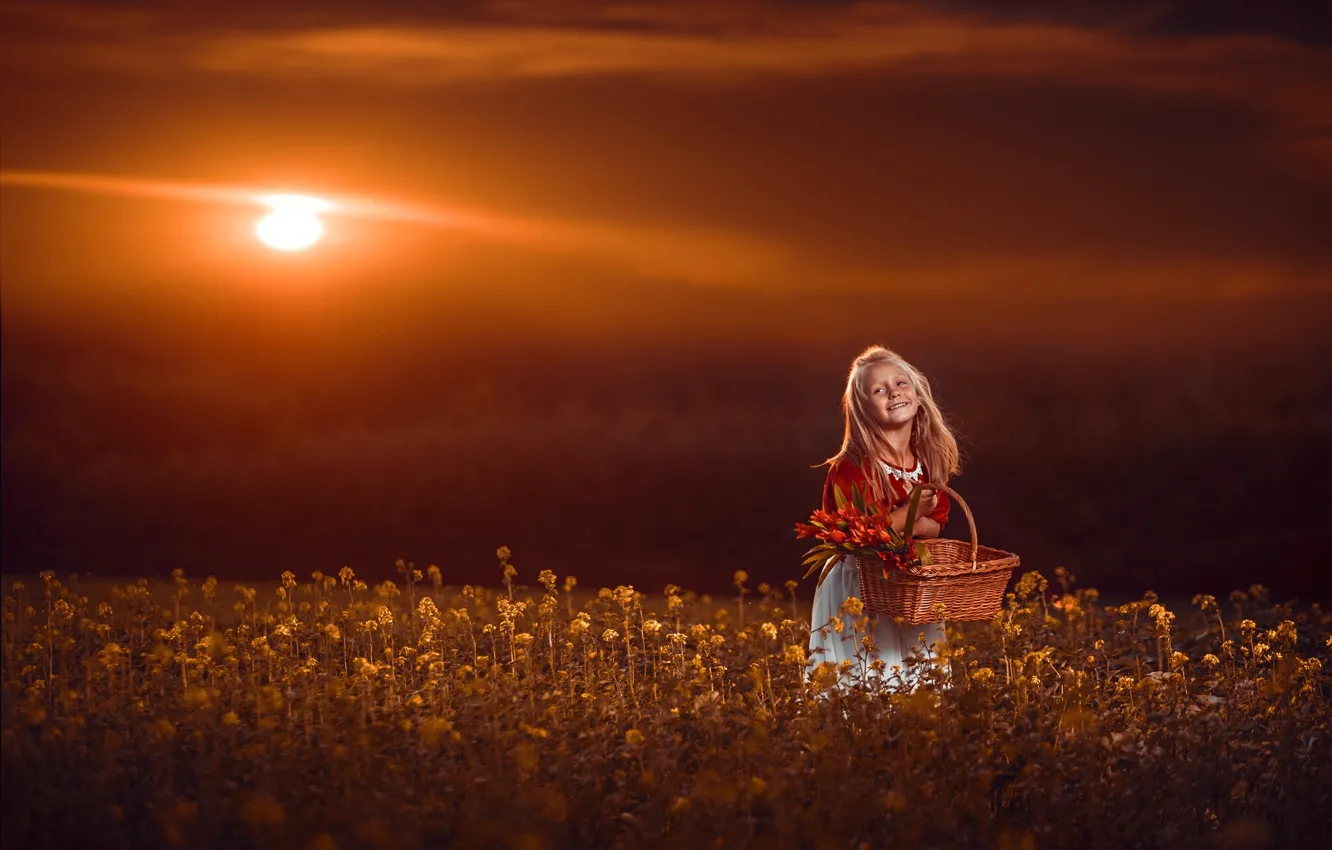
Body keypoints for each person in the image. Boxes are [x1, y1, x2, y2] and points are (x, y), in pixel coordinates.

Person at [806, 345, 961, 690]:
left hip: (908, 586)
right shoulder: (853, 467)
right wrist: (911, 513)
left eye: (901, 383)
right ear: (863, 410)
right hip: (860, 585)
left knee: (917, 670)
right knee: (867, 670)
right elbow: (861, 535)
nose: (894, 392)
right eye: (879, 390)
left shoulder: (927, 461)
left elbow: (935, 525)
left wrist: (911, 523)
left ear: (918, 396)